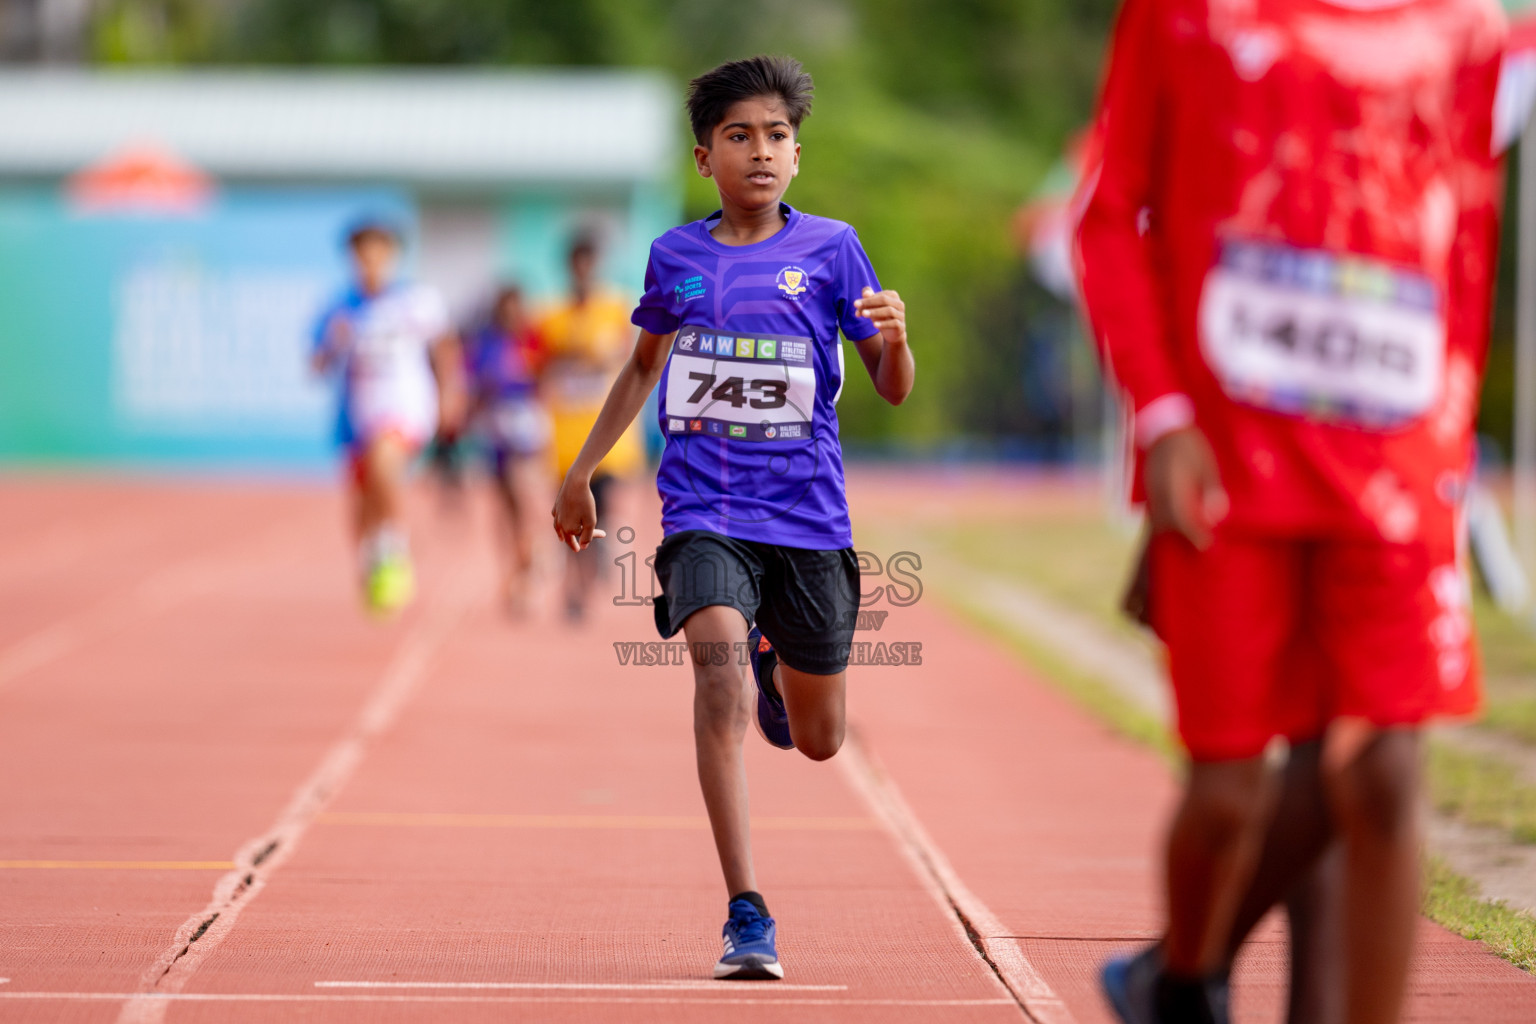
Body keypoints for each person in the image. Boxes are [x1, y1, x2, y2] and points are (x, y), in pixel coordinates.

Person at [1075, 1, 1504, 1022]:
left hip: (1394, 470)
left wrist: (1450, 424)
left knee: (1386, 768)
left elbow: (1468, 236)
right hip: (1226, 472)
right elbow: (1108, 215)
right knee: (1232, 789)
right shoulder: (1183, 18)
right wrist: (1166, 416)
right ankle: (1179, 979)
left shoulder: (1469, 31)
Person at [551, 55, 914, 981]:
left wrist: (898, 340)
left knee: (821, 738)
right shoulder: (678, 258)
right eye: (740, 136)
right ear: (704, 156)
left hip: (809, 523)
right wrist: (581, 471)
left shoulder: (833, 250)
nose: (761, 151)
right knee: (712, 671)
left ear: (797, 154)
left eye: (777, 136)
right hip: (705, 512)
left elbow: (892, 387)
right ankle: (747, 912)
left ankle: (775, 673)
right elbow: (641, 368)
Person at [311, 218, 467, 614]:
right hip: (357, 415)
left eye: (379, 253)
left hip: (407, 407)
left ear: (393, 256)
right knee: (362, 508)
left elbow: (445, 348)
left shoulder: (416, 301)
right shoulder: (340, 307)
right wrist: (333, 343)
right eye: (362, 254)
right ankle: (373, 554)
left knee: (385, 461)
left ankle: (394, 548)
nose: (371, 262)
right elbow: (316, 364)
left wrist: (450, 395)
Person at [539, 235, 645, 622]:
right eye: (577, 263)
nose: (583, 271)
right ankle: (574, 588)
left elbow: (632, 359)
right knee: (568, 517)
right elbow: (536, 364)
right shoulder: (550, 316)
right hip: (566, 435)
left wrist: (592, 358)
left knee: (608, 507)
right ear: (569, 267)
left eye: (589, 263)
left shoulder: (616, 309)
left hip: (610, 437)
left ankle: (601, 554)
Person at [469, 285, 551, 614]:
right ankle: (516, 570)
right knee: (504, 508)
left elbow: (548, 376)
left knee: (524, 495)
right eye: (504, 309)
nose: (510, 316)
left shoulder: (533, 340)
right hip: (496, 431)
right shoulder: (485, 344)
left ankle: (535, 557)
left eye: (515, 308)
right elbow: (473, 385)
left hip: (527, 428)